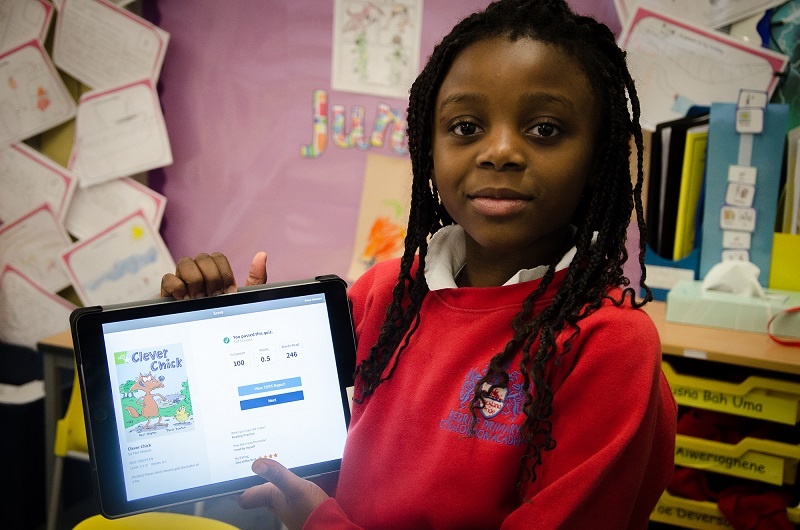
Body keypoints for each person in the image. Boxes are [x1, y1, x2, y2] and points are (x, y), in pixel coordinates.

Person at [161, 0, 677, 528]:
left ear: (598, 157)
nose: (498, 151)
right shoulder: (384, 293)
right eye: (466, 126)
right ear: (428, 148)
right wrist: (222, 341)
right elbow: (304, 454)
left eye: (545, 129)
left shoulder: (607, 344)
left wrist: (319, 523)